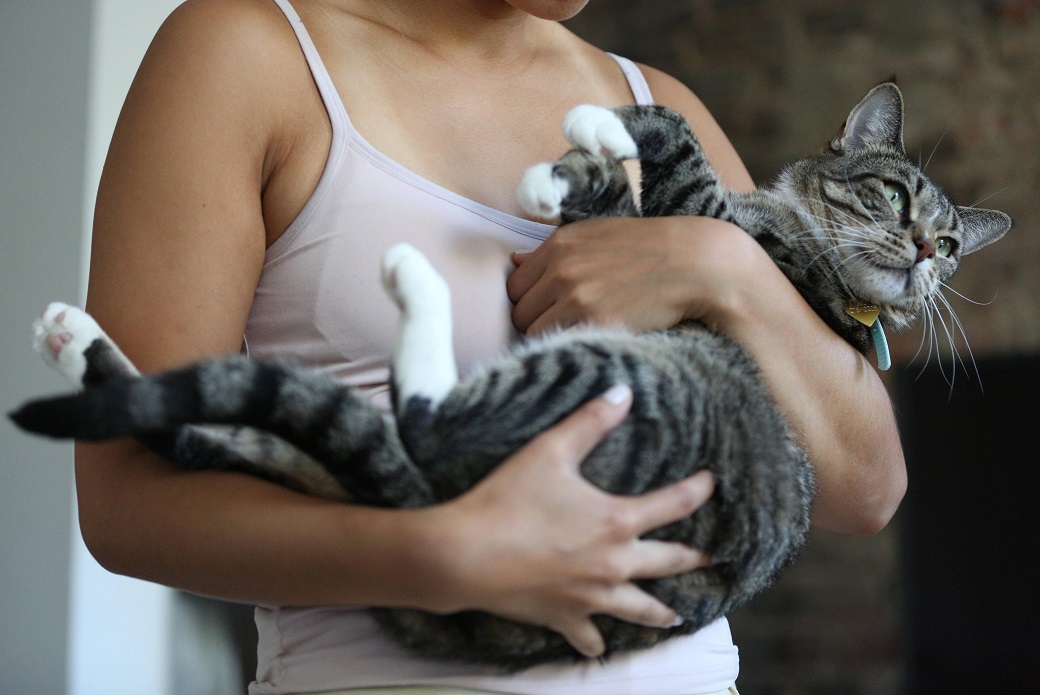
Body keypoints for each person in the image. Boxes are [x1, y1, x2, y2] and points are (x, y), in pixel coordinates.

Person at [74, 0, 907, 693]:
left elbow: (865, 488)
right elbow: (125, 502)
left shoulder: (653, 102)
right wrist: (435, 554)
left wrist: (724, 269)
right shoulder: (246, 54)